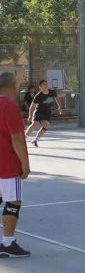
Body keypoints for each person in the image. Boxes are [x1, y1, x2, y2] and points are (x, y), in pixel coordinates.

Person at [0, 72, 31, 257]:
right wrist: (25, 163)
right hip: (8, 164)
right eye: (17, 84)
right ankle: (8, 243)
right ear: (11, 86)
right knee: (13, 201)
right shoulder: (9, 106)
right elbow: (17, 138)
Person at [26, 80, 62, 147]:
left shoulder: (52, 92)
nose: (46, 86)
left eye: (46, 84)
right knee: (34, 124)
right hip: (39, 111)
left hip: (47, 113)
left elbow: (57, 98)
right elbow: (32, 107)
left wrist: (59, 106)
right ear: (40, 87)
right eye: (44, 85)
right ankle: (24, 138)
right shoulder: (38, 96)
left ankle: (35, 140)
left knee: (46, 126)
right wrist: (30, 116)